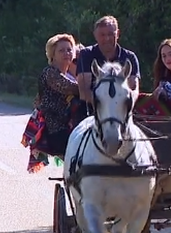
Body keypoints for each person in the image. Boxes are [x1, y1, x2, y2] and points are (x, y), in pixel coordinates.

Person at [20, 33, 85, 173]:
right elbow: (72, 89)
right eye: (61, 50)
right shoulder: (50, 73)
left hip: (71, 125)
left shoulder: (69, 74)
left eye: (69, 49)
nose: (67, 53)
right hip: (57, 129)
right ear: (52, 55)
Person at [75, 16, 141, 108]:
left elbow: (133, 90)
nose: (107, 39)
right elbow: (84, 92)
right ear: (95, 35)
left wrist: (122, 107)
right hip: (91, 110)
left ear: (117, 34)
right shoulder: (86, 55)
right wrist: (107, 109)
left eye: (110, 34)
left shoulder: (129, 57)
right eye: (102, 35)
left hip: (122, 111)